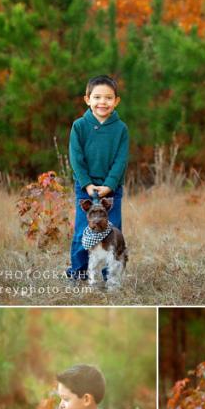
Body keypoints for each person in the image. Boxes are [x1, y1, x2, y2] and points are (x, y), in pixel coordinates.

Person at [66, 75, 129, 280]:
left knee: (112, 231)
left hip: (112, 190)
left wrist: (109, 185)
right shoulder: (79, 126)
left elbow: (121, 160)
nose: (103, 102)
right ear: (87, 99)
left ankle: (110, 275)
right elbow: (76, 158)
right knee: (82, 232)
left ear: (116, 101)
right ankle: (78, 273)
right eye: (97, 97)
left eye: (108, 98)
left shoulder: (120, 129)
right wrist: (87, 183)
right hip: (85, 187)